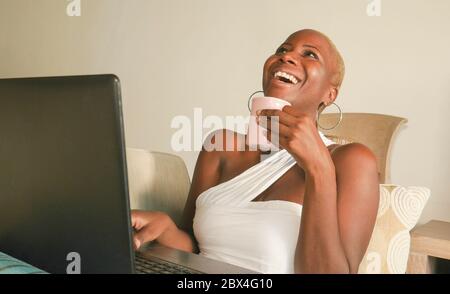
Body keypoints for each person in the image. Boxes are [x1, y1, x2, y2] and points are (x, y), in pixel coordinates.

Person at [131, 29, 380, 274]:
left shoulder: (352, 161)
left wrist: (318, 167)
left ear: (330, 93)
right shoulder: (220, 147)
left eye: (310, 54)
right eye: (282, 49)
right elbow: (194, 251)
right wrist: (167, 231)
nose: (287, 56)